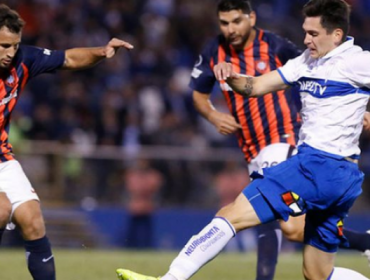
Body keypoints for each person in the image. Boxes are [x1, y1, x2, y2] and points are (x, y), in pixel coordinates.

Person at [116, 0, 370, 279]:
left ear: (336, 35)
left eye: (312, 34)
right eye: (305, 32)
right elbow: (256, 86)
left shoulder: (357, 61)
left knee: (231, 214)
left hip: (315, 166)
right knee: (317, 273)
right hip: (341, 177)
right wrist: (233, 77)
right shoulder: (307, 61)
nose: (305, 39)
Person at [0, 4, 133, 280]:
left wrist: (101, 51)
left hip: (2, 156)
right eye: (3, 45)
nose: (10, 52)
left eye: (14, 45)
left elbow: (69, 58)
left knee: (33, 219)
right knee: (1, 208)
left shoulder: (23, 59)